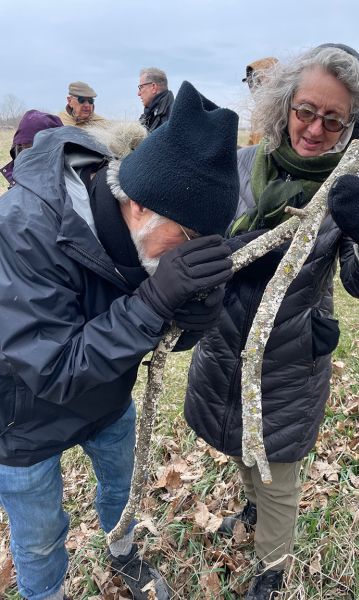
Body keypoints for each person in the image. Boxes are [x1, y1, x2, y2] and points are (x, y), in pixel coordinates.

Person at [0, 81, 239, 600]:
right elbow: (53, 369)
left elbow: (164, 338)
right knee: (40, 538)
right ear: (138, 206)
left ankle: (123, 554)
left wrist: (197, 309)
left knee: (121, 490)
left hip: (107, 397)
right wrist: (153, 301)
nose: (188, 252)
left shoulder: (144, 229)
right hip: (21, 416)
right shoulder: (23, 226)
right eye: (189, 238)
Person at [184, 44, 359, 599]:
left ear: (349, 127)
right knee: (235, 443)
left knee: (277, 470)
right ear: (285, 105)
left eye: (333, 120)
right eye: (307, 110)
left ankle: (272, 569)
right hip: (225, 339)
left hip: (288, 355)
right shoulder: (239, 166)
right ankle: (251, 508)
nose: (314, 129)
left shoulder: (352, 189)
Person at [1, 110, 63, 189]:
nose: (24, 155)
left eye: (31, 148)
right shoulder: (17, 182)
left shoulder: (67, 188)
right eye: (20, 148)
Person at [242, 57, 278, 145]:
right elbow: (252, 141)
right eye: (252, 83)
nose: (255, 87)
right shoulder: (257, 113)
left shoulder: (284, 111)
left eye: (258, 81)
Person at [138, 68, 174, 132]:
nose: (138, 93)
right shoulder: (147, 116)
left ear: (153, 87)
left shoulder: (173, 117)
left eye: (141, 87)